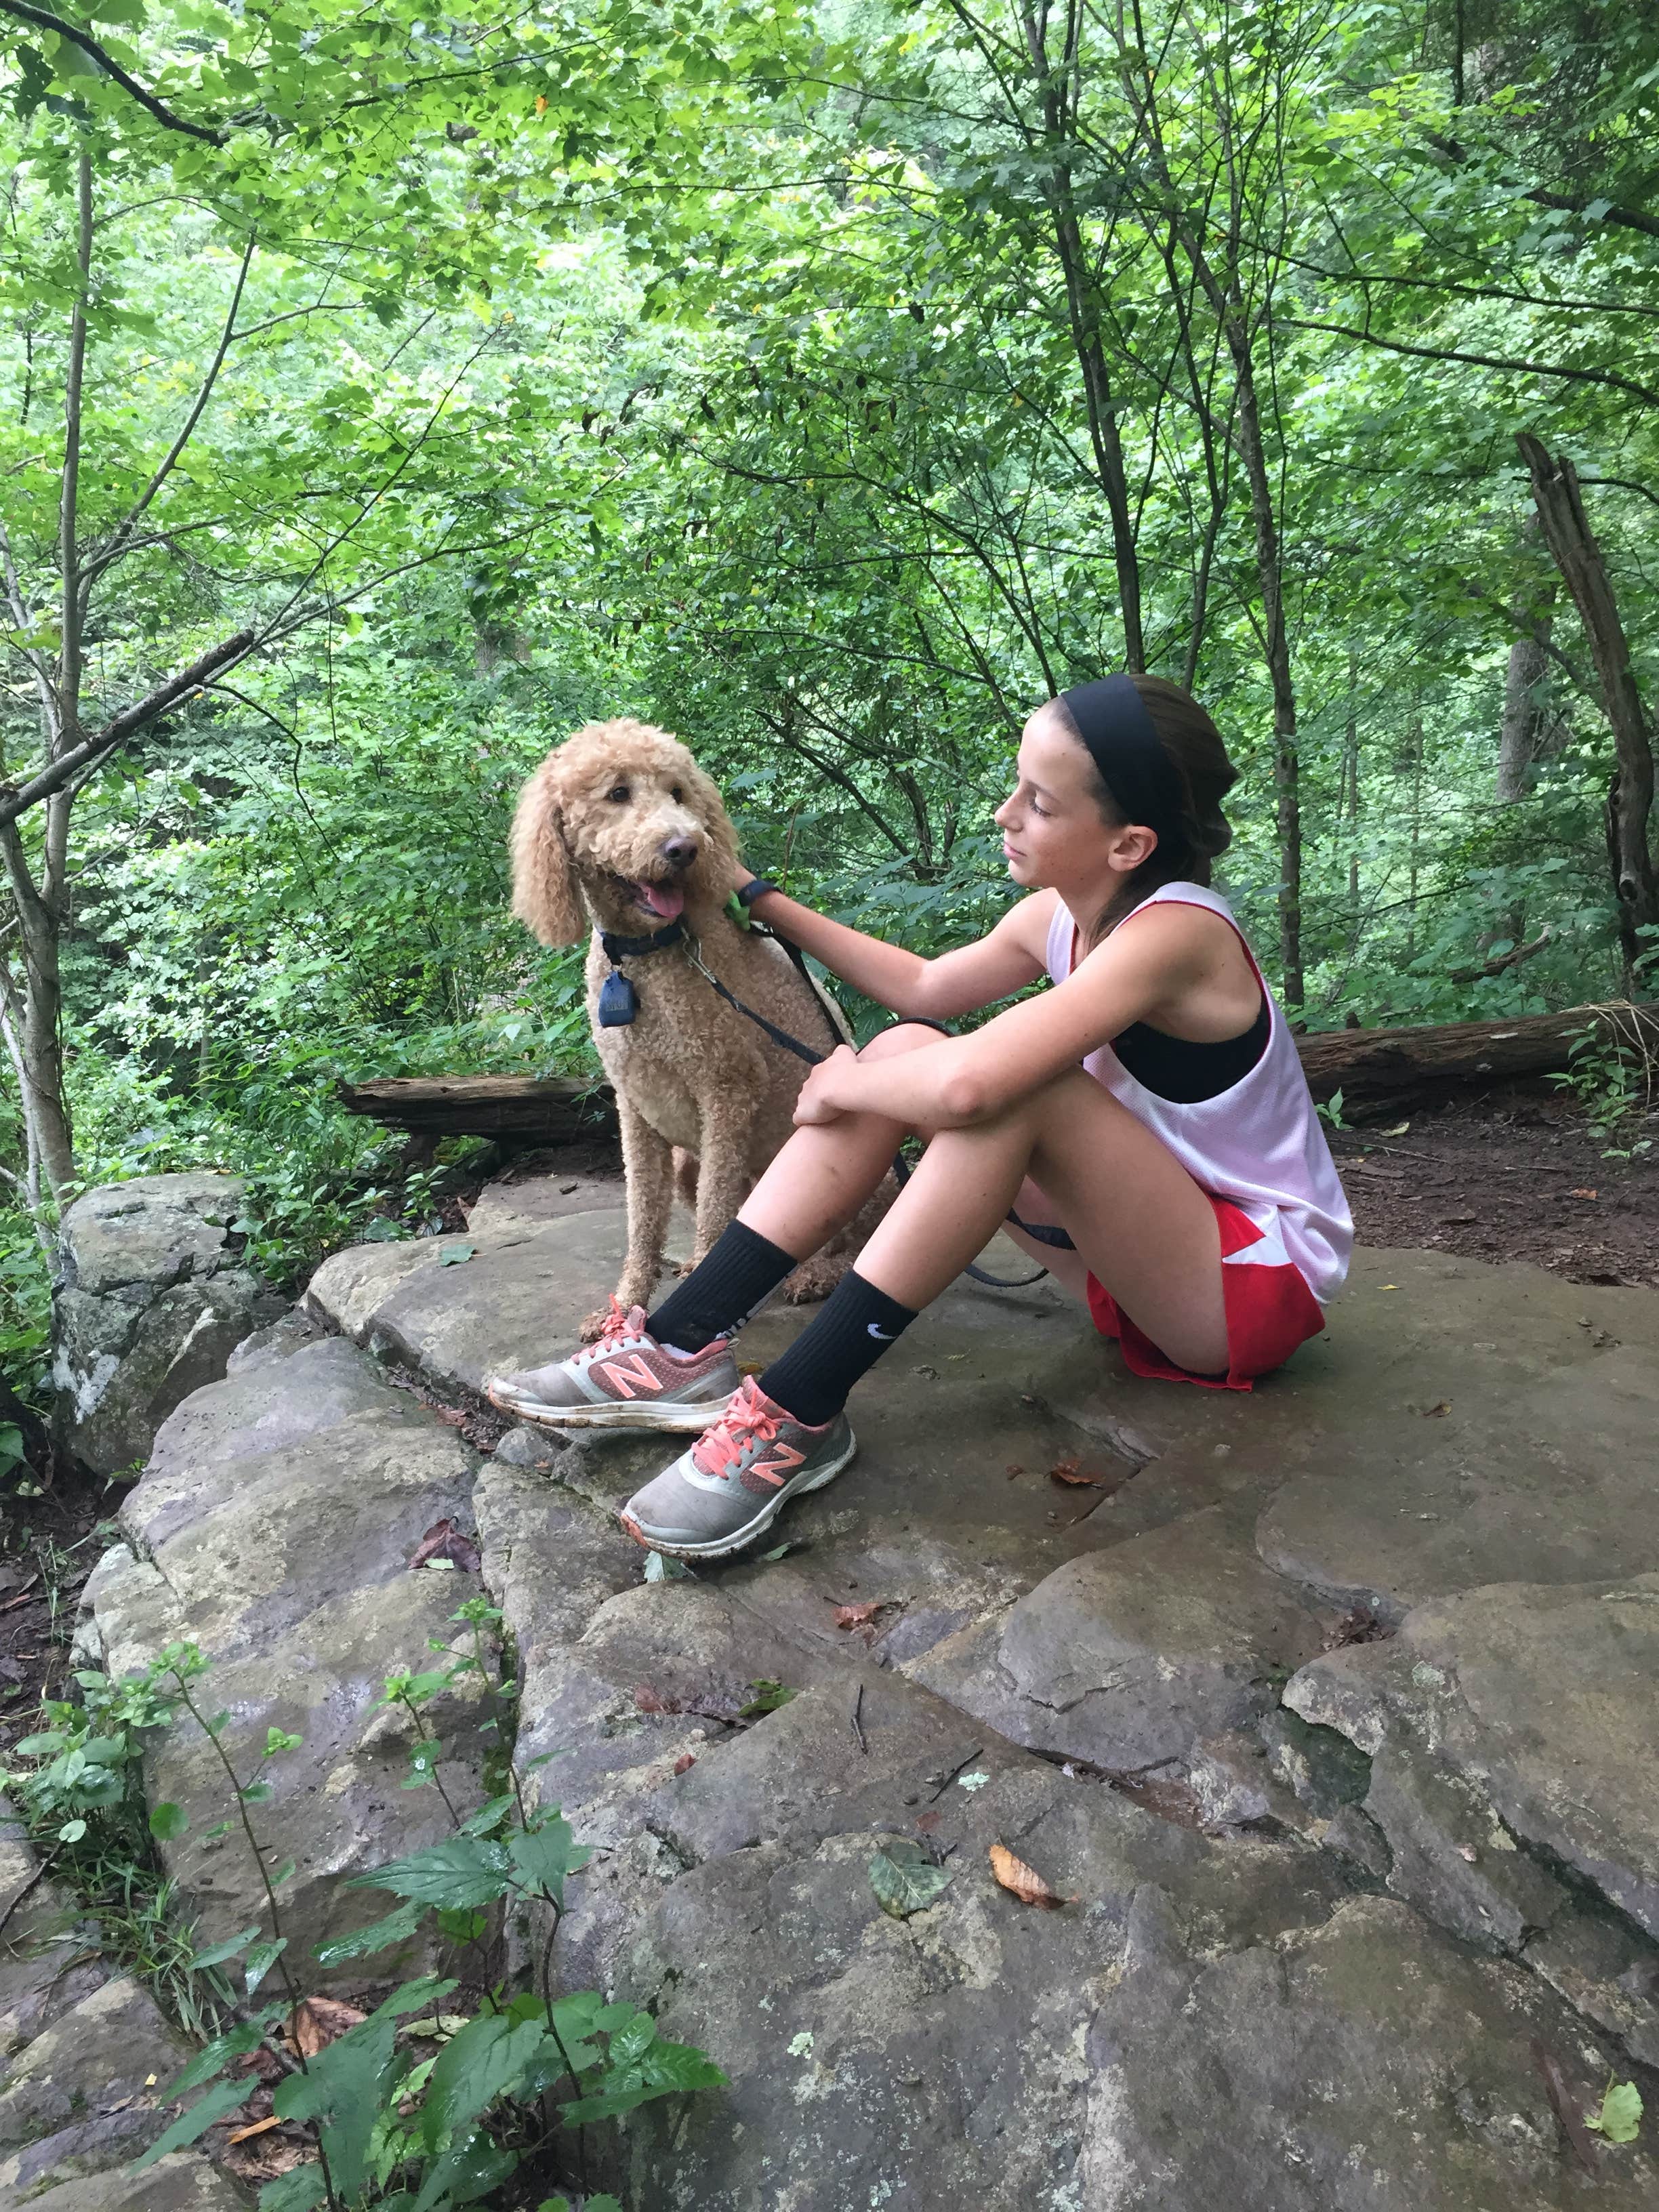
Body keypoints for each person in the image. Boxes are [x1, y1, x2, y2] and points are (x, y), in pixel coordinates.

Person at [486, 674, 1352, 1560]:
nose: (1004, 813)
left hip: (1248, 1288)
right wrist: (751, 892)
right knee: (905, 1045)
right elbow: (924, 987)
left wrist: (840, 1083)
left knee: (1018, 1088)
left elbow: (973, 1088)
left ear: (1128, 843)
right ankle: (681, 1344)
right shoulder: (1059, 915)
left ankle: (797, 1410)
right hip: (1137, 1261)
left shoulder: (1180, 935)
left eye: (1038, 803)